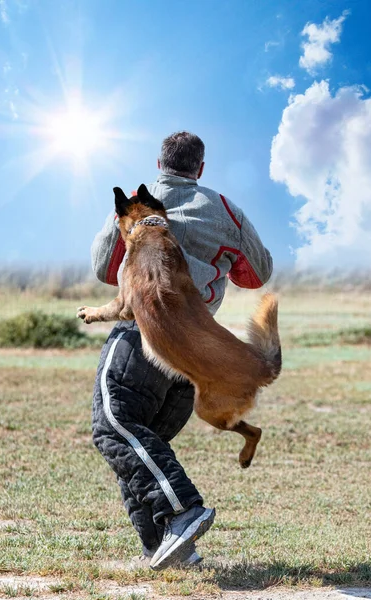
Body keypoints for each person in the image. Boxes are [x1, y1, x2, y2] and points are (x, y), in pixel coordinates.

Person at [90, 131, 273, 570]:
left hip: (146, 338)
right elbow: (257, 274)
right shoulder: (227, 210)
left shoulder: (137, 208)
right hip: (197, 352)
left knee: (113, 427)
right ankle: (166, 549)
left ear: (159, 164)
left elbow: (102, 268)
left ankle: (184, 510)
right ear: (201, 169)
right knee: (140, 443)